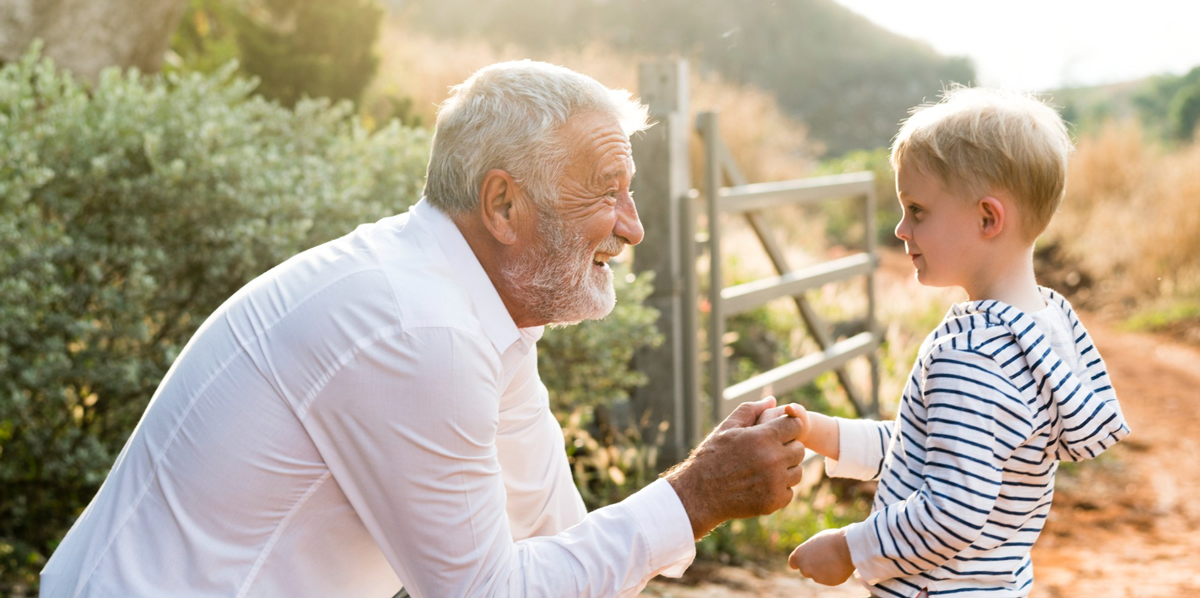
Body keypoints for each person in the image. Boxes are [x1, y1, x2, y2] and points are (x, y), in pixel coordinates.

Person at [39, 61, 808, 598]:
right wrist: (695, 495)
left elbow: (553, 535)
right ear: (503, 205)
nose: (633, 228)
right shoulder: (420, 330)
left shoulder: (474, 311)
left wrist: (693, 499)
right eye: (608, 193)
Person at [762, 87, 1131, 597]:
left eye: (917, 210)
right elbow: (933, 448)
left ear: (987, 218)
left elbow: (952, 509)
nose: (901, 229)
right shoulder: (1044, 329)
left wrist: (850, 548)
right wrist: (823, 433)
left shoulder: (970, 355)